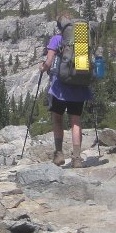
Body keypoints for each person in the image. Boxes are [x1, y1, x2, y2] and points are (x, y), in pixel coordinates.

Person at [40, 14, 93, 168]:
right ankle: (76, 158)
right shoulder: (81, 39)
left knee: (57, 118)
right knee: (75, 121)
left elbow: (49, 62)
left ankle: (59, 154)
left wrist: (43, 67)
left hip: (60, 87)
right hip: (79, 86)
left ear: (60, 26)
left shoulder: (56, 39)